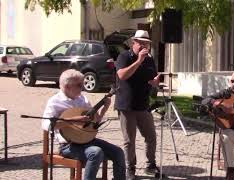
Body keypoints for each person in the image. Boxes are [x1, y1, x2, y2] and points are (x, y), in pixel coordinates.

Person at [42, 69, 126, 180]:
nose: (82, 87)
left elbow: (94, 122)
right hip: (68, 145)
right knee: (96, 153)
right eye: (79, 85)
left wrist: (104, 108)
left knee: (118, 152)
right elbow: (47, 125)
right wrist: (72, 120)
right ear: (67, 86)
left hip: (87, 140)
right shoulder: (55, 102)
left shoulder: (82, 99)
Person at [114, 30, 161, 180]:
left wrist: (155, 83)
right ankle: (130, 168)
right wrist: (138, 61)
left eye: (146, 43)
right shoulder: (124, 57)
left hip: (143, 105)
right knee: (130, 140)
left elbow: (152, 79)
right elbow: (122, 75)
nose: (143, 46)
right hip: (127, 106)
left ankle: (151, 165)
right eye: (140, 43)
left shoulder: (149, 59)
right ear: (133, 43)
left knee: (151, 137)